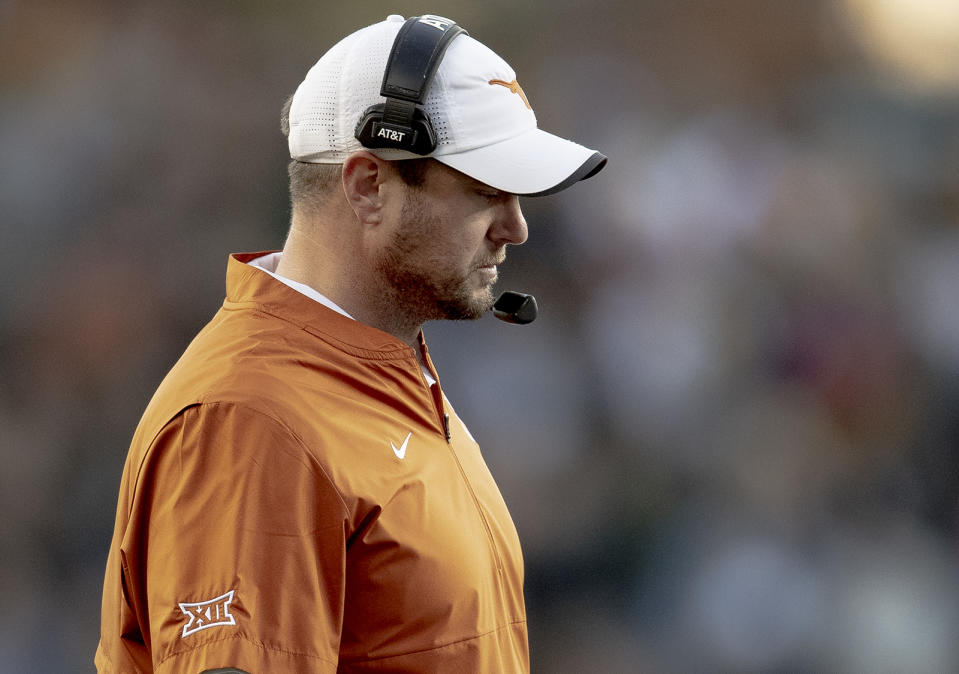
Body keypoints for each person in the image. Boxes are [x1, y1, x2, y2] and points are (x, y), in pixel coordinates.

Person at [95, 13, 605, 673]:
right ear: (368, 186)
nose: (515, 226)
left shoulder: (375, 371)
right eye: (486, 191)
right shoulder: (254, 420)